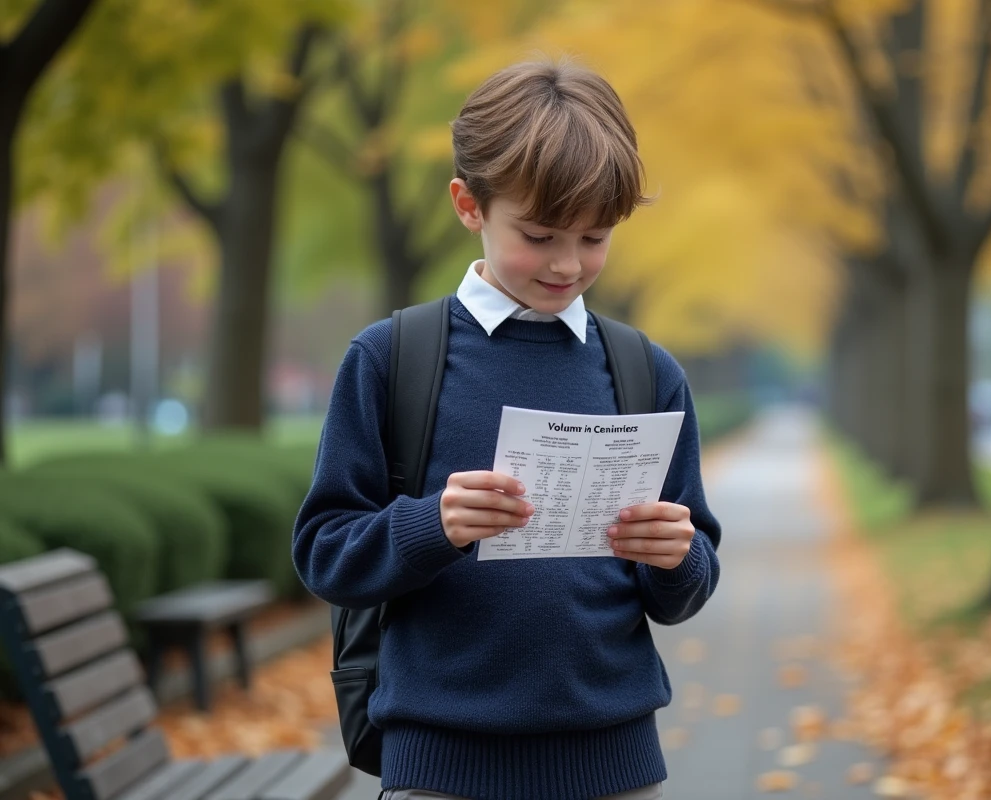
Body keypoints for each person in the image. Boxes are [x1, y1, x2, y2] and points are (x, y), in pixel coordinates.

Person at [292, 59, 722, 800]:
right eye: (540, 233)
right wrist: (433, 525)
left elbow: (686, 587)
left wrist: (676, 557)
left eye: (594, 238)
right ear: (468, 204)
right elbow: (324, 555)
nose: (567, 264)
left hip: (616, 764)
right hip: (440, 767)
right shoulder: (393, 360)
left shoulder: (644, 372)